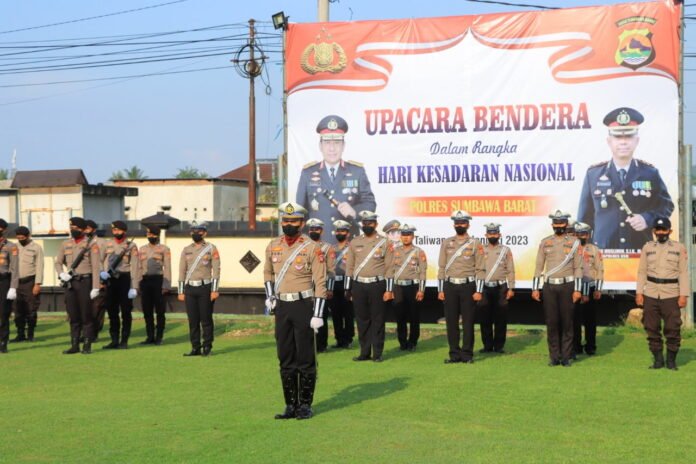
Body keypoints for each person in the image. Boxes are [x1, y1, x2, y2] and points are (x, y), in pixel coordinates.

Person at [264, 202, 327, 420]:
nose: (288, 224)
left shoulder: (312, 248)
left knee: (306, 358)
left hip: (303, 306)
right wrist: (270, 297)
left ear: (301, 223)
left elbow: (320, 283)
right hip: (282, 306)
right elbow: (268, 274)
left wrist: (318, 314)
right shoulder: (273, 245)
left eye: (293, 221)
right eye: (285, 221)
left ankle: (305, 405)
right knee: (285, 356)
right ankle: (290, 405)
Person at [577, 107, 673, 250]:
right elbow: (584, 220)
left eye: (628, 137)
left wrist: (647, 219)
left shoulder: (650, 173)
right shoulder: (593, 175)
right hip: (603, 253)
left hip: (640, 251)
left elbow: (666, 206)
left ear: (636, 141)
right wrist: (586, 251)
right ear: (609, 141)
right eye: (618, 137)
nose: (623, 142)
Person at [296, 115, 376, 243]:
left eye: (337, 143)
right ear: (320, 146)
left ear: (343, 146)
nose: (332, 148)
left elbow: (370, 204)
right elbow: (300, 213)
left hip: (348, 248)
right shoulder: (307, 173)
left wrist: (355, 212)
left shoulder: (357, 172)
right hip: (317, 248)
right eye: (327, 142)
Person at [636, 217, 689, 370]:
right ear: (654, 231)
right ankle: (658, 361)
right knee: (651, 328)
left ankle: (671, 362)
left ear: (669, 231)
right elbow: (642, 272)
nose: (660, 232)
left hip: (671, 294)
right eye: (658, 230)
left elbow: (683, 273)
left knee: (673, 328)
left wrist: (683, 295)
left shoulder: (679, 248)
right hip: (651, 293)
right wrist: (640, 292)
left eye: (663, 229)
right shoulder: (647, 248)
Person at [532, 210, 582, 367]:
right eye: (556, 223)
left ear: (566, 224)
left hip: (568, 286)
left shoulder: (575, 242)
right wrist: (535, 288)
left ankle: (566, 356)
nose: (558, 225)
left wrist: (577, 289)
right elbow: (539, 266)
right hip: (550, 286)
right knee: (552, 322)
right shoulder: (545, 242)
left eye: (561, 223)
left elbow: (578, 267)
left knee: (567, 322)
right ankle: (554, 356)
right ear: (552, 224)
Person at [344, 211, 393, 362]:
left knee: (377, 319)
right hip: (359, 285)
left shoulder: (385, 242)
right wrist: (348, 288)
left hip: (377, 285)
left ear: (376, 224)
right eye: (365, 223)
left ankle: (377, 353)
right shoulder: (354, 242)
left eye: (370, 223)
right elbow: (350, 267)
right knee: (362, 319)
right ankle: (364, 352)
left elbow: (390, 267)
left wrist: (389, 289)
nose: (367, 226)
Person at [437, 211, 484, 364]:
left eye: (462, 222)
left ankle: (467, 355)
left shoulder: (475, 244)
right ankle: (454, 355)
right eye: (457, 223)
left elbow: (480, 269)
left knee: (468, 322)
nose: (460, 225)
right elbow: (442, 267)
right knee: (451, 322)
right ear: (454, 224)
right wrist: (440, 289)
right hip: (450, 286)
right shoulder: (447, 243)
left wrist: (479, 290)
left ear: (468, 224)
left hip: (468, 286)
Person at [55, 217, 101, 354]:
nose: (72, 230)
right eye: (71, 227)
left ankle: (87, 345)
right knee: (73, 315)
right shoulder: (65, 244)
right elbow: (58, 262)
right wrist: (61, 274)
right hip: (70, 282)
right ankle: (74, 345)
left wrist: (95, 286)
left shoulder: (91, 245)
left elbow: (96, 267)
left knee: (86, 315)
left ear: (82, 229)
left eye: (75, 227)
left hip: (85, 281)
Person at [178, 222, 220, 357]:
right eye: (194, 231)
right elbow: (182, 271)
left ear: (205, 233)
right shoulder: (186, 249)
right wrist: (180, 290)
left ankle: (207, 346)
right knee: (193, 320)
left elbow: (216, 271)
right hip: (190, 288)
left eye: (199, 231)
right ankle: (195, 347)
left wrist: (214, 290)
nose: (196, 233)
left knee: (206, 319)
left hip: (205, 288)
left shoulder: (211, 248)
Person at [384, 224, 426, 352]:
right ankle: (402, 342)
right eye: (403, 235)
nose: (405, 238)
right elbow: (390, 271)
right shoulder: (394, 251)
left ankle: (413, 341)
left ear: (412, 236)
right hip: (398, 287)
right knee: (400, 316)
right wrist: (389, 289)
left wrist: (421, 289)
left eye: (408, 235)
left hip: (412, 287)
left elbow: (423, 272)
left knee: (414, 316)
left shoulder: (418, 251)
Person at [476, 223, 515, 354]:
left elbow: (510, 270)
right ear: (486, 235)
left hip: (501, 287)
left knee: (501, 318)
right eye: (490, 233)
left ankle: (499, 346)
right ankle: (487, 346)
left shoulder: (506, 250)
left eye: (495, 233)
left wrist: (511, 288)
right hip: (484, 287)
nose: (493, 236)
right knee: (484, 317)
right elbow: (476, 268)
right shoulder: (480, 249)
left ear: (499, 235)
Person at [100, 221, 139, 350]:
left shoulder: (131, 245)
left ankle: (124, 340)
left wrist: (134, 286)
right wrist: (102, 273)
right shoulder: (107, 244)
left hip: (125, 279)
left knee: (126, 312)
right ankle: (114, 340)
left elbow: (135, 266)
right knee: (112, 311)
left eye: (118, 230)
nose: (116, 232)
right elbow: (99, 261)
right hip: (111, 279)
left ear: (124, 231)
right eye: (114, 230)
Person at [573, 222, 604, 357]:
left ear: (589, 234)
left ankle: (591, 346)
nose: (581, 236)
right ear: (574, 234)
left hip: (590, 288)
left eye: (584, 233)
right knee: (574, 319)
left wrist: (598, 288)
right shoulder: (571, 249)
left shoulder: (594, 249)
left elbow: (600, 269)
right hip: (575, 288)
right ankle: (576, 346)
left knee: (590, 320)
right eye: (579, 233)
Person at [305, 218, 336, 353]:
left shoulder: (327, 248)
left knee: (321, 314)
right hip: (305, 286)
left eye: (316, 229)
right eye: (311, 229)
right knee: (306, 316)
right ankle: (307, 344)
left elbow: (331, 270)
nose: (314, 231)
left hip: (321, 285)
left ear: (321, 231)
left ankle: (321, 345)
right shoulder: (303, 246)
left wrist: (329, 288)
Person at [138, 225, 172, 345]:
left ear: (157, 235)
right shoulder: (142, 249)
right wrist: (137, 283)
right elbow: (138, 267)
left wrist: (166, 285)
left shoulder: (164, 249)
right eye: (148, 234)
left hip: (158, 281)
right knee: (147, 311)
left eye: (152, 234)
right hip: (145, 281)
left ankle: (159, 337)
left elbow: (167, 267)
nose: (150, 237)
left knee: (160, 311)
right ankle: (150, 336)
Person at [12, 226, 43, 343]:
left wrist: (38, 284)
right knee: (17, 309)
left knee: (31, 308)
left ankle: (31, 334)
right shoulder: (13, 247)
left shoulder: (36, 248)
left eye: (23, 237)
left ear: (28, 236)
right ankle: (20, 334)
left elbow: (39, 266)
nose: (20, 239)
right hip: (15, 282)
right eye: (18, 237)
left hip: (30, 281)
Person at [329, 219, 354, 349]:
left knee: (348, 313)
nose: (340, 233)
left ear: (348, 233)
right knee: (335, 313)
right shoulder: (331, 249)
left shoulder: (352, 249)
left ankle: (348, 339)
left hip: (346, 283)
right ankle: (339, 340)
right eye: (338, 231)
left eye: (342, 231)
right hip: (333, 283)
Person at [85, 220, 107, 339]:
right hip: (84, 279)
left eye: (88, 228)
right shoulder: (80, 242)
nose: (85, 230)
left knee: (97, 308)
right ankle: (85, 332)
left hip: (98, 278)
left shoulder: (102, 243)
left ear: (94, 229)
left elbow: (106, 261)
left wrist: (103, 280)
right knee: (84, 307)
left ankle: (94, 333)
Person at [0, 219, 18, 353]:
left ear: (4, 230)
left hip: (4, 281)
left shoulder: (11, 246)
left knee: (3, 314)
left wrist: (13, 287)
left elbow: (15, 268)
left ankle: (3, 342)